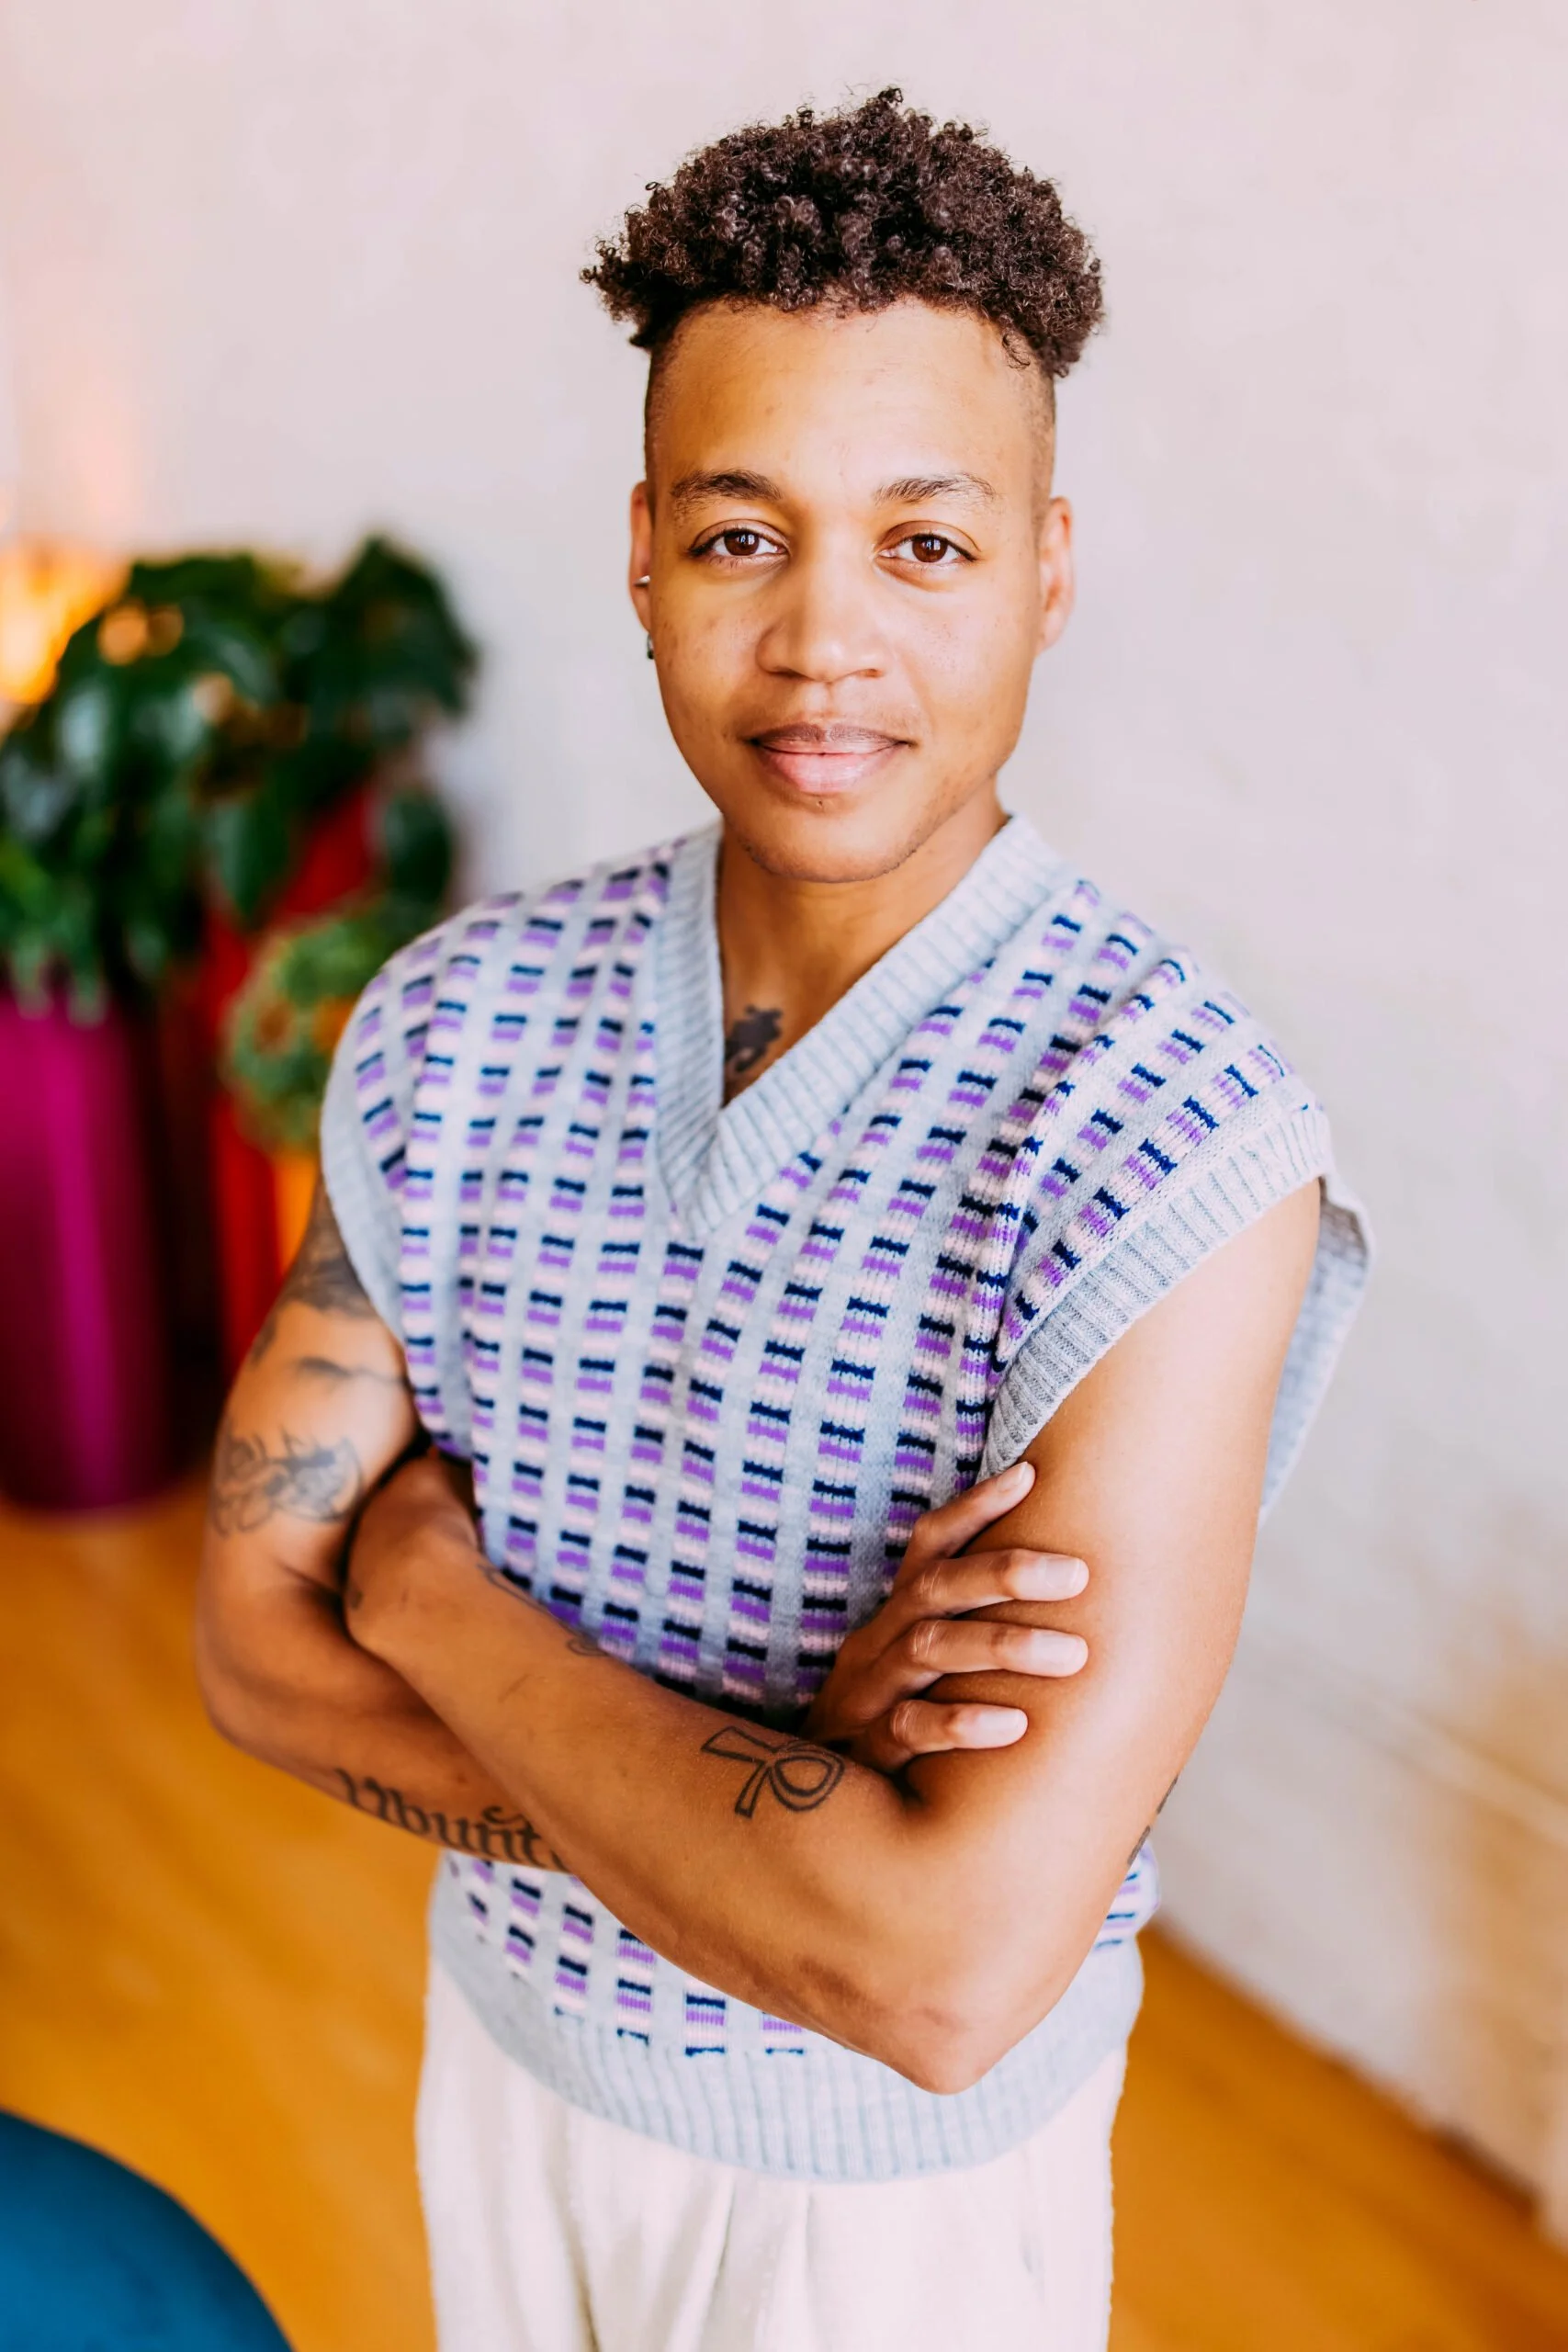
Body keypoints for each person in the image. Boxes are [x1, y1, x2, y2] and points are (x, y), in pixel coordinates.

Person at [196, 89, 1369, 2352]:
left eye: (922, 544)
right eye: (744, 537)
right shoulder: (451, 1027)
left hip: (890, 2216)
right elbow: (251, 1658)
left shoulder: (1174, 1132)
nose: (825, 641)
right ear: (641, 552)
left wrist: (434, 1594)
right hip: (505, 2078)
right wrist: (780, 1797)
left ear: (1045, 560)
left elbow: (931, 1969)